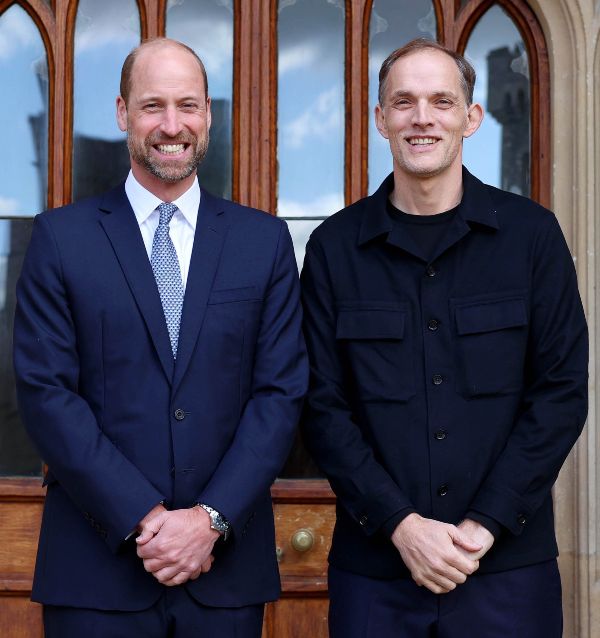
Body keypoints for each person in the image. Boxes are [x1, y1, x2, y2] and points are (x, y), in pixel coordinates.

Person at [13, 37, 307, 638]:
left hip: (224, 576)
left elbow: (279, 394)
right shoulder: (61, 240)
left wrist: (209, 521)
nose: (171, 126)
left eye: (187, 105)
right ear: (123, 113)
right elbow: (47, 394)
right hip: (96, 572)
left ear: (208, 115)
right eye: (153, 106)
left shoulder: (264, 242)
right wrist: (145, 519)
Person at [301, 38, 588, 637]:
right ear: (380, 119)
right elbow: (321, 407)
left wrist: (482, 526)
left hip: (506, 570)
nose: (422, 118)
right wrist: (402, 526)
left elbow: (560, 393)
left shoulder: (532, 238)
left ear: (470, 117)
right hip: (376, 574)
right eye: (403, 102)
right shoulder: (333, 248)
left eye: (441, 101)